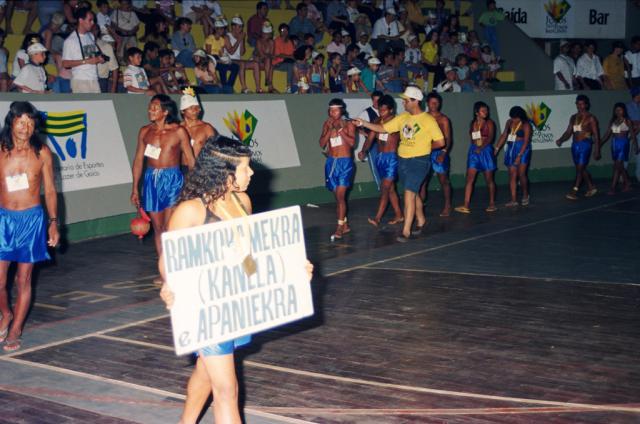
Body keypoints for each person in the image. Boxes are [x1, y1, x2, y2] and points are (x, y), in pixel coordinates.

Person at [158, 136, 313, 424]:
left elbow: (250, 256)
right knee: (227, 390)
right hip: (206, 310)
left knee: (206, 371)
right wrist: (169, 284)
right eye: (245, 167)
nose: (251, 172)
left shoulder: (243, 201)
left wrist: (291, 270)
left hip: (235, 304)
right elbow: (168, 259)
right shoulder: (191, 211)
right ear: (225, 173)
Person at [0, 101, 59, 352]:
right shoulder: (0, 150)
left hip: (32, 221)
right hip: (4, 220)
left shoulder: (42, 152)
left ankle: (15, 330)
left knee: (23, 280)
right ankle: (6, 312)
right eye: (20, 121)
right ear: (11, 122)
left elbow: (51, 191)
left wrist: (54, 223)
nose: (25, 127)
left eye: (30, 122)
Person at [356, 86, 445, 242]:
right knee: (413, 191)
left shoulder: (428, 120)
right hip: (402, 160)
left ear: (415, 101)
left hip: (419, 161)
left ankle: (406, 231)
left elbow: (440, 141)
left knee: (409, 194)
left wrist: (423, 148)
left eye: (406, 100)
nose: (403, 103)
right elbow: (382, 129)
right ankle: (421, 219)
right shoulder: (403, 118)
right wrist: (364, 122)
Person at [130, 95, 195, 256]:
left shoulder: (179, 131)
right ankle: (164, 267)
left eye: (155, 107)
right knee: (158, 228)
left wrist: (194, 187)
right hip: (151, 180)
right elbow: (138, 160)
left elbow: (191, 161)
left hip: (173, 180)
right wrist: (135, 189)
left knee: (170, 226)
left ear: (165, 112)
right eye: (150, 107)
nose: (150, 110)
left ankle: (176, 263)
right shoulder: (144, 131)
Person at [358, 94, 403, 227]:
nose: (381, 113)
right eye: (380, 110)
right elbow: (370, 138)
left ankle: (377, 218)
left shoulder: (396, 121)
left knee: (384, 188)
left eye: (384, 110)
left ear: (391, 110)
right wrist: (364, 151)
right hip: (380, 158)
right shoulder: (378, 121)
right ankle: (399, 215)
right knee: (390, 189)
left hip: (392, 159)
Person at [319, 99, 356, 239]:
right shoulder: (326, 124)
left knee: (340, 197)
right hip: (331, 163)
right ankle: (345, 224)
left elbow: (352, 142)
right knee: (338, 197)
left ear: (341, 111)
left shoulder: (348, 124)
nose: (332, 112)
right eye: (330, 110)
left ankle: (339, 228)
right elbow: (321, 143)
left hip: (344, 163)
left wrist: (340, 130)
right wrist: (329, 130)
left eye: (335, 110)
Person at [454, 101, 498, 214]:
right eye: (483, 111)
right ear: (477, 112)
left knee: (489, 179)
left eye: (486, 110)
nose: (486, 112)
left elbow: (490, 138)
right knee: (469, 179)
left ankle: (492, 203)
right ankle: (466, 204)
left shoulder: (490, 123)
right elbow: (472, 138)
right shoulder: (473, 123)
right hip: (474, 152)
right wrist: (475, 148)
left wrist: (481, 147)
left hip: (486, 152)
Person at [555, 94, 600, 200]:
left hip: (585, 145)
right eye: (577, 104)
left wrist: (597, 150)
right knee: (581, 168)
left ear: (586, 105)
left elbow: (596, 135)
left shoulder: (591, 118)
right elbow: (568, 132)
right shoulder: (573, 117)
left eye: (581, 104)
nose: (579, 106)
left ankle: (574, 190)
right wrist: (561, 139)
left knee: (579, 168)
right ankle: (591, 187)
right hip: (575, 145)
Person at [494, 106, 532, 207]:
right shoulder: (509, 122)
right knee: (512, 175)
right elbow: (504, 135)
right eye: (512, 117)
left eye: (515, 118)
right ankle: (513, 200)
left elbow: (526, 141)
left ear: (520, 116)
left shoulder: (526, 125)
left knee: (521, 174)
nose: (513, 119)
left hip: (522, 149)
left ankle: (525, 195)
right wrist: (496, 149)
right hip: (511, 148)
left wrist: (519, 155)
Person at [61, 7, 104, 93]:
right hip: (80, 80)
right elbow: (65, 64)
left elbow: (93, 54)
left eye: (93, 20)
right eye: (90, 20)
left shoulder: (90, 36)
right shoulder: (70, 40)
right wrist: (87, 61)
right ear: (81, 20)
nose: (93, 23)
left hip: (94, 78)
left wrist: (99, 58)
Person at [423, 92, 452, 217]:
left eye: (436, 102)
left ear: (439, 104)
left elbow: (448, 138)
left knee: (443, 180)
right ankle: (420, 204)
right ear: (427, 103)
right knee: (423, 180)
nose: (434, 105)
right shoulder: (423, 117)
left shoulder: (443, 119)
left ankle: (447, 205)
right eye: (431, 102)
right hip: (424, 151)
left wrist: (444, 153)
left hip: (439, 152)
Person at [598, 103, 637, 194]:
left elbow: (632, 134)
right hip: (614, 144)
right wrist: (599, 143)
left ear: (624, 110)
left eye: (620, 110)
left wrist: (636, 146)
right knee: (619, 166)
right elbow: (607, 134)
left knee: (617, 166)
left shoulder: (627, 121)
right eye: (616, 110)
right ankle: (627, 183)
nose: (618, 112)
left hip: (623, 144)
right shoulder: (613, 121)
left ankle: (612, 187)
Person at [180, 88, 216, 160]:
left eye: (197, 107)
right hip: (181, 169)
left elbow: (215, 151)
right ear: (182, 111)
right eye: (191, 108)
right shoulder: (177, 129)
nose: (195, 111)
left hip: (200, 168)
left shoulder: (206, 128)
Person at [627, 87, 640, 183]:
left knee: (639, 155)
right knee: (627, 154)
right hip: (631, 133)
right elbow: (630, 122)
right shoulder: (628, 106)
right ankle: (621, 175)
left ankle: (639, 175)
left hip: (639, 133)